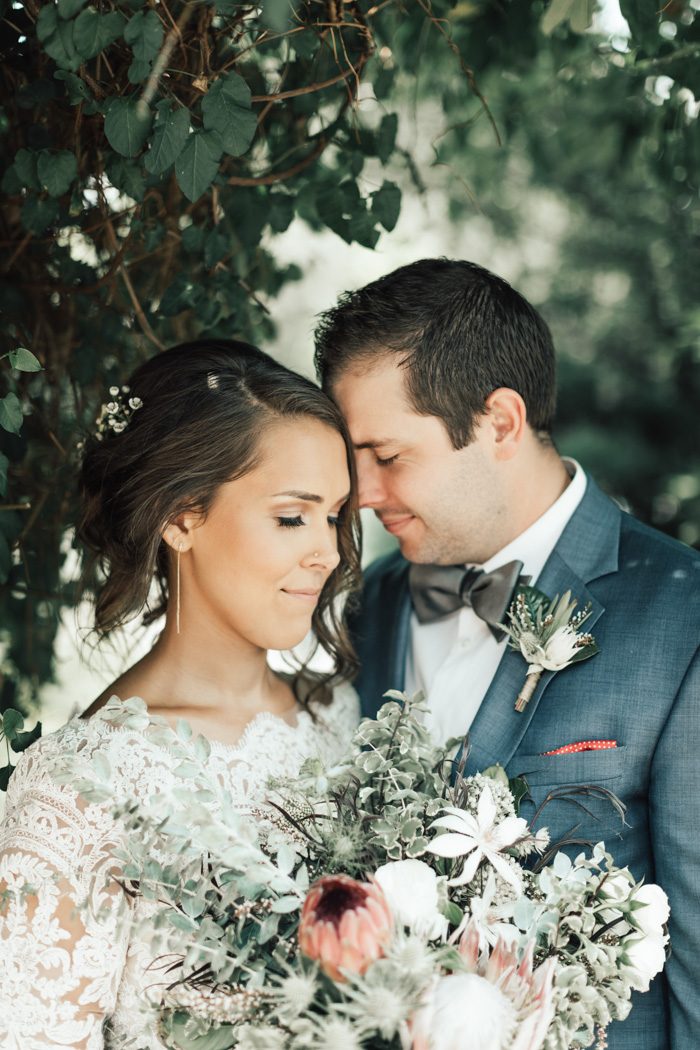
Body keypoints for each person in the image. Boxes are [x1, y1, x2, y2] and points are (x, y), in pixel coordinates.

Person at [314, 258, 700, 1050]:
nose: (360, 495)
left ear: (499, 423)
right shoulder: (374, 604)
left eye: (386, 457)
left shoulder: (682, 615)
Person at [0, 339, 362, 1048]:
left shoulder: (341, 721)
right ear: (181, 518)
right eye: (293, 515)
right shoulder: (79, 790)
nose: (329, 550)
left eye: (335, 514)